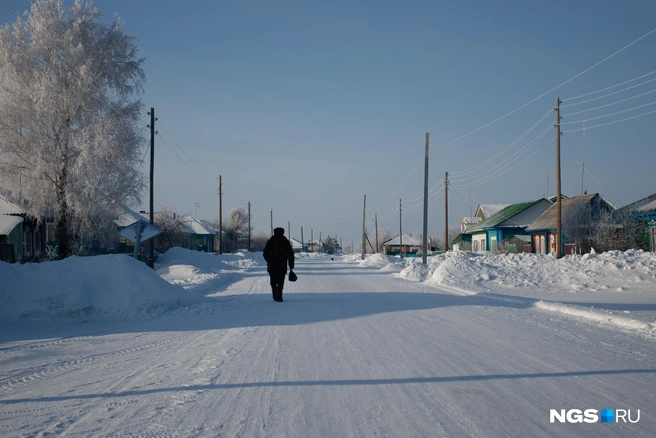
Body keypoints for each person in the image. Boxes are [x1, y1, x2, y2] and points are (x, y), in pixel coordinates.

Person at [263, 227, 295, 302]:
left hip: (272, 265)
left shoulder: (271, 241)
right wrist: (291, 265)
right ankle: (279, 296)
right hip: (282, 265)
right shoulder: (285, 241)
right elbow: (290, 254)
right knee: (281, 281)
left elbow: (265, 252)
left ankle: (274, 295)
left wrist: (269, 260)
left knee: (273, 281)